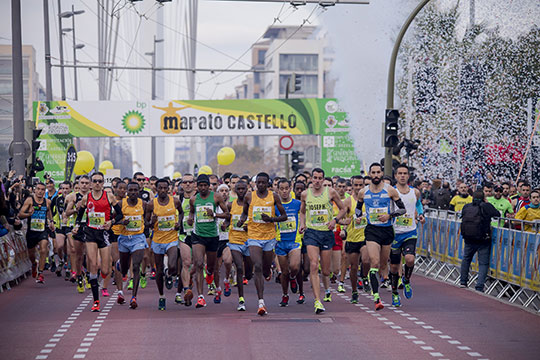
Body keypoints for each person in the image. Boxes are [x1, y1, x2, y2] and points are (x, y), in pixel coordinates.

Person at [355, 163, 406, 311]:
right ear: (370, 174)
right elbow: (358, 210)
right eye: (373, 173)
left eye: (378, 172)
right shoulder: (363, 192)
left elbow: (402, 209)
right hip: (372, 231)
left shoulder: (390, 190)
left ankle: (395, 291)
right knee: (374, 262)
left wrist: (389, 215)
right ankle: (376, 298)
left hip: (387, 230)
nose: (376, 175)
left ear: (382, 173)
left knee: (385, 265)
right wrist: (358, 217)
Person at [237, 172, 287, 316]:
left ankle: (268, 271)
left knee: (264, 269)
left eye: (263, 182)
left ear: (268, 184)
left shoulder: (274, 196)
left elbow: (283, 217)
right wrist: (241, 220)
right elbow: (245, 213)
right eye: (258, 182)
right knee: (257, 266)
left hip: (269, 237)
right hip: (253, 236)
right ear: (255, 183)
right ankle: (261, 302)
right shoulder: (249, 196)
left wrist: (271, 219)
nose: (260, 185)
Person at [299, 168, 347, 314]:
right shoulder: (305, 194)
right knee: (314, 264)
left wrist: (335, 220)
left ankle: (326, 288)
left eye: (320, 178)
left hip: (326, 233)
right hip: (312, 233)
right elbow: (302, 211)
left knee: (326, 271)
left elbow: (343, 209)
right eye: (315, 178)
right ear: (311, 179)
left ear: (323, 179)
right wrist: (302, 223)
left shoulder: (331, 192)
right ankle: (317, 301)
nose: (318, 180)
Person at [74, 172, 123, 312]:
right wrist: (77, 225)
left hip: (105, 234)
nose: (97, 183)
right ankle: (96, 301)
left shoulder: (109, 196)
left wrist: (111, 222)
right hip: (90, 233)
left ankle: (101, 277)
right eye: (94, 181)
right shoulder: (86, 198)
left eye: (100, 181)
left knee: (106, 269)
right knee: (93, 264)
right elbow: (80, 215)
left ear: (103, 183)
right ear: (90, 183)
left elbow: (120, 215)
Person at [187, 174, 229, 309]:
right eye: (201, 186)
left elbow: (227, 214)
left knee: (211, 267)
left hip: (212, 235)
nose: (203, 188)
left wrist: (215, 215)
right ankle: (200, 297)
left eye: (205, 185)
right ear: (197, 186)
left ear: (209, 186)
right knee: (198, 263)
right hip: (198, 235)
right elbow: (192, 212)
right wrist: (190, 218)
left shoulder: (216, 197)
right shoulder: (193, 199)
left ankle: (209, 273)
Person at [146, 178, 183, 311]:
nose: (162, 190)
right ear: (156, 189)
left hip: (172, 238)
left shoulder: (175, 201)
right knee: (159, 271)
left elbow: (182, 213)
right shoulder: (151, 204)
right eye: (160, 188)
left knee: (173, 266)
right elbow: (146, 224)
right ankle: (162, 296)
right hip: (157, 240)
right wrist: (151, 221)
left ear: (169, 189)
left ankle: (170, 274)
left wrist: (179, 223)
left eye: (165, 188)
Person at [390, 165, 425, 307]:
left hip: (410, 231)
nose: (403, 176)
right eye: (400, 173)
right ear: (396, 176)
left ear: (408, 176)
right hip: (394, 232)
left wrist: (421, 215)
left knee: (410, 259)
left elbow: (418, 206)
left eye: (405, 173)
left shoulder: (415, 192)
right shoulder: (391, 191)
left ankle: (406, 279)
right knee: (393, 267)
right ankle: (394, 293)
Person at [459, 190, 500, 292]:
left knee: (466, 259)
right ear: (484, 197)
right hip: (483, 239)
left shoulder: (467, 206)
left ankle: (463, 281)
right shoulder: (486, 206)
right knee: (483, 263)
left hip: (468, 238)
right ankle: (479, 286)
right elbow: (497, 214)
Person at [117, 181, 149, 309]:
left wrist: (150, 221)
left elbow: (146, 220)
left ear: (139, 191)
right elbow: (113, 219)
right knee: (124, 270)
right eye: (131, 190)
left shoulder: (144, 204)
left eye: (136, 190)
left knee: (136, 266)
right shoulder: (121, 204)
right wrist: (122, 221)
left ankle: (134, 297)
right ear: (127, 192)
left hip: (138, 238)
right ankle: (119, 265)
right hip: (124, 239)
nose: (133, 193)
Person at [18, 182, 55, 284]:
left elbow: (49, 212)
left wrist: (51, 221)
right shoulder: (30, 200)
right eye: (38, 189)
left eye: (42, 189)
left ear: (45, 191)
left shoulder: (47, 202)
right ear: (35, 190)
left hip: (42, 230)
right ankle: (34, 264)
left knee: (44, 249)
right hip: (32, 231)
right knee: (31, 254)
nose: (40, 191)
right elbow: (20, 214)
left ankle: (40, 273)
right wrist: (29, 214)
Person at [225, 180, 253, 311]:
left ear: (247, 189)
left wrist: (249, 227)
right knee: (239, 267)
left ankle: (247, 276)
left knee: (248, 273)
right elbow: (227, 219)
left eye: (243, 189)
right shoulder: (231, 205)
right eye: (239, 189)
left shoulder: (252, 205)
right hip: (234, 240)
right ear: (235, 191)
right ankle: (241, 299)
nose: (241, 191)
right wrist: (225, 224)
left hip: (248, 241)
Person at [342, 175, 370, 303]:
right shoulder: (348, 201)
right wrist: (345, 222)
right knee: (353, 267)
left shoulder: (369, 198)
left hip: (366, 236)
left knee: (366, 260)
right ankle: (354, 291)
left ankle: (365, 277)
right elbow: (339, 218)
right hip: (353, 238)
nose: (358, 188)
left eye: (361, 185)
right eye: (356, 185)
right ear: (352, 186)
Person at [275, 179, 302, 307]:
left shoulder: (297, 204)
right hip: (280, 242)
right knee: (284, 272)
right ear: (278, 190)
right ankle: (285, 295)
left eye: (287, 188)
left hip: (294, 241)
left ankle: (293, 277)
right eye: (282, 189)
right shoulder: (275, 206)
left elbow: (303, 217)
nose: (284, 191)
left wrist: (303, 226)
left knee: (295, 267)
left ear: (290, 188)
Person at [65, 175, 91, 292]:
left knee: (90, 255)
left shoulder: (93, 196)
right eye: (82, 183)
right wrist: (77, 208)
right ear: (79, 184)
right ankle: (80, 278)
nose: (84, 185)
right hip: (79, 227)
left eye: (86, 183)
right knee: (79, 255)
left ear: (89, 184)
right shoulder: (73, 197)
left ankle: (90, 276)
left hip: (91, 227)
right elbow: (67, 212)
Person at [175, 174, 196, 306]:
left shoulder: (199, 198)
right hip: (184, 235)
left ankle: (189, 280)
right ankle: (187, 289)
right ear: (181, 185)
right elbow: (177, 214)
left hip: (199, 234)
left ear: (194, 184)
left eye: (190, 182)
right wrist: (177, 223)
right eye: (185, 182)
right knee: (186, 263)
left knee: (198, 265)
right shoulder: (178, 199)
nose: (187, 184)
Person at [214, 184, 233, 304]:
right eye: (221, 191)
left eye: (226, 191)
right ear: (217, 192)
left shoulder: (231, 205)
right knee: (216, 268)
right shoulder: (214, 205)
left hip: (227, 239)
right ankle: (218, 290)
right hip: (215, 239)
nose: (224, 193)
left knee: (227, 261)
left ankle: (227, 279)